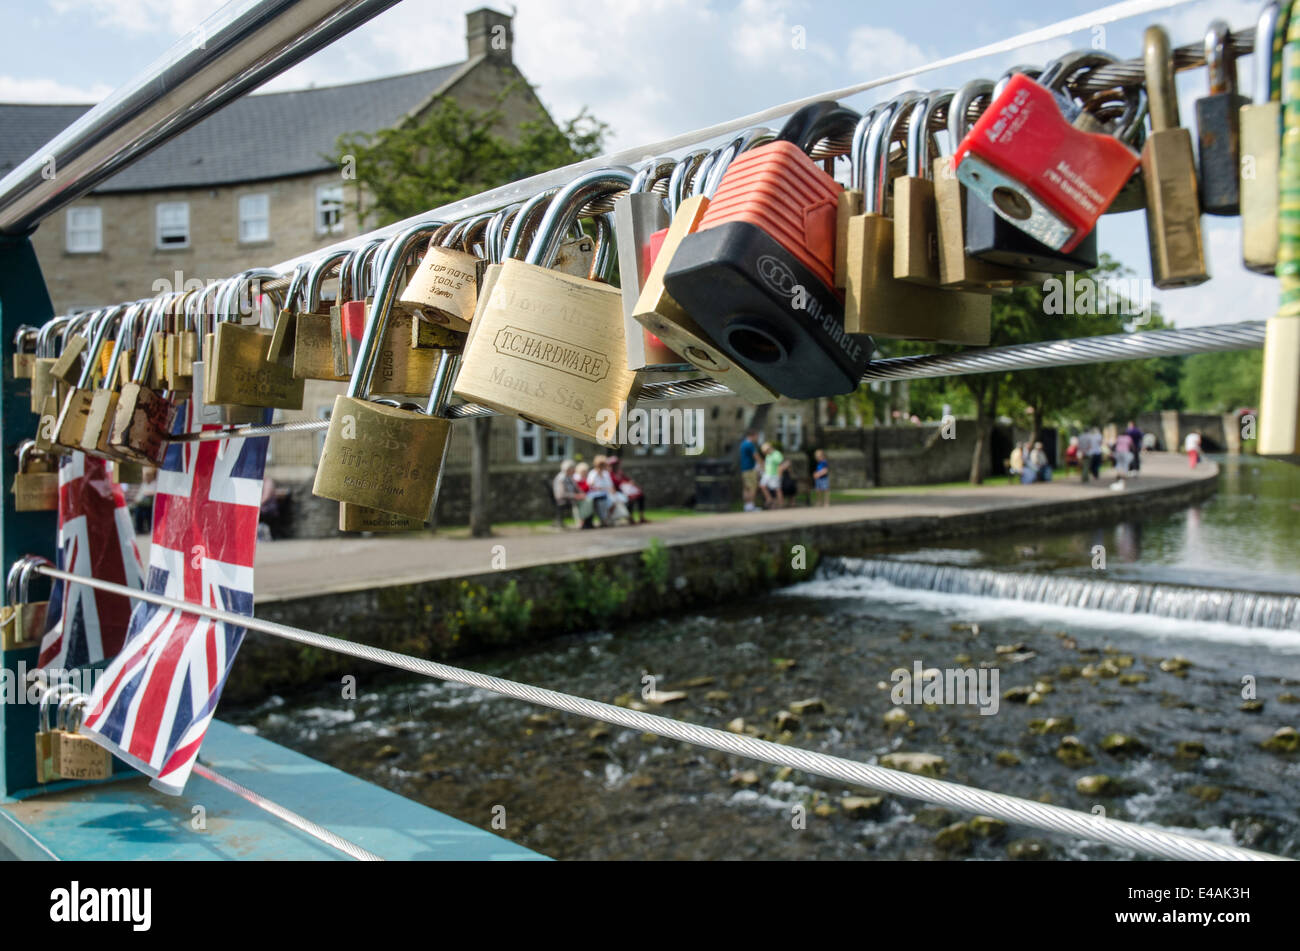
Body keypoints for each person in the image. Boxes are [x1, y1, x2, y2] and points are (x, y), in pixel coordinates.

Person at [608, 456, 647, 525]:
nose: (616, 466)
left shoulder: (620, 473)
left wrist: (631, 482)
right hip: (619, 492)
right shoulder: (609, 474)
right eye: (614, 464)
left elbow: (627, 479)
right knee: (630, 499)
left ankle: (641, 516)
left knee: (641, 496)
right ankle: (630, 518)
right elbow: (614, 484)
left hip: (627, 490)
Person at [552, 459, 584, 528]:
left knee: (586, 500)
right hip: (562, 499)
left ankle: (585, 521)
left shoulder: (569, 477)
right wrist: (575, 496)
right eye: (573, 469)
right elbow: (561, 494)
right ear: (568, 469)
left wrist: (581, 494)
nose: (574, 470)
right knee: (578, 502)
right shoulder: (561, 478)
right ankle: (580, 522)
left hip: (571, 497)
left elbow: (576, 488)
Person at [586, 455, 615, 526]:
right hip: (596, 494)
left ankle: (607, 519)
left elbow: (610, 485)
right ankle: (603, 520)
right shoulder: (593, 473)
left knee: (613, 502)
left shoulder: (606, 473)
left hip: (607, 493)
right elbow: (590, 485)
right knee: (602, 502)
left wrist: (611, 490)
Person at [759, 441, 786, 508]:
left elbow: (781, 465)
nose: (765, 453)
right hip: (767, 474)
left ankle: (781, 504)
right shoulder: (768, 455)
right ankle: (769, 498)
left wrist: (779, 475)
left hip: (775, 474)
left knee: (777, 489)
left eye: (765, 451)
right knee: (762, 485)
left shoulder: (776, 454)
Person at [739, 429, 760, 512]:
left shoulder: (743, 444)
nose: (757, 438)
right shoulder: (750, 444)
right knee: (752, 487)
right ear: (753, 435)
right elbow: (756, 456)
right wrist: (762, 466)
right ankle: (751, 506)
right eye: (757, 436)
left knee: (746, 488)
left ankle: (747, 506)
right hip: (750, 469)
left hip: (744, 469)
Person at [572, 462, 596, 529]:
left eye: (585, 471)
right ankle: (583, 521)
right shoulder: (577, 479)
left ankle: (588, 522)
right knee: (588, 502)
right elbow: (581, 489)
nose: (585, 473)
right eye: (583, 471)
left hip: (586, 496)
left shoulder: (586, 478)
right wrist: (588, 485)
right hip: (578, 497)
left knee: (591, 500)